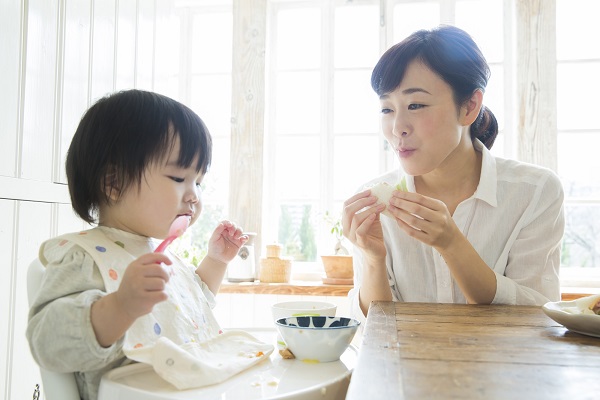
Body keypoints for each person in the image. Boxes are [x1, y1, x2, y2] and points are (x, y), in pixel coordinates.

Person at [26, 89, 272, 400]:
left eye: (199, 181)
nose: (194, 194)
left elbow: (189, 308)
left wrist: (217, 262)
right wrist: (120, 305)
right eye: (177, 177)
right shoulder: (84, 257)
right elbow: (48, 342)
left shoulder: (157, 254)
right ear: (113, 183)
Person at [343, 25, 564, 324]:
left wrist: (451, 243)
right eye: (386, 109)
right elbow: (377, 333)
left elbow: (538, 317)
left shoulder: (535, 192)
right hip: (401, 372)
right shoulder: (374, 201)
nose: (397, 128)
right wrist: (372, 258)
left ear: (470, 107)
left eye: (415, 105)